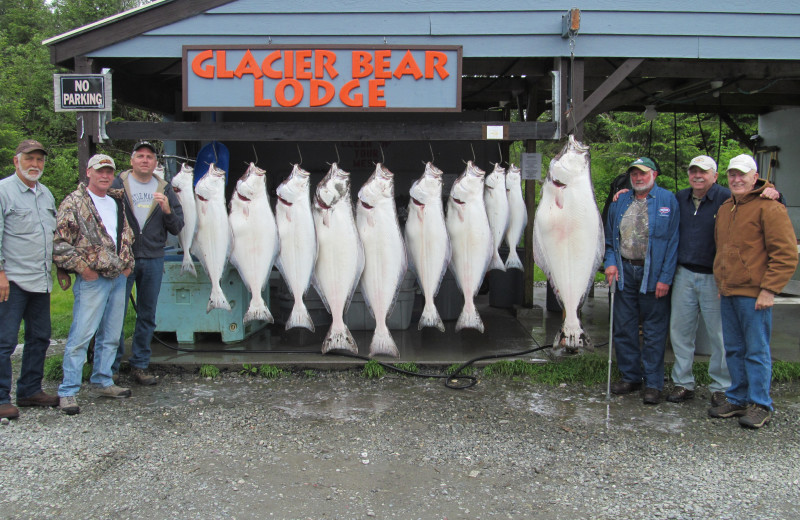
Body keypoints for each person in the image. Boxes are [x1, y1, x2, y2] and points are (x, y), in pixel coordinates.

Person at [667, 156, 780, 407]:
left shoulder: (726, 198)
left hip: (714, 278)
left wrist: (773, 192)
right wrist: (621, 191)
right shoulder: (680, 198)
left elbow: (763, 203)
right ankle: (682, 382)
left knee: (720, 337)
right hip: (683, 273)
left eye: (704, 172)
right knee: (680, 332)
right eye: (693, 171)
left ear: (715, 176)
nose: (697, 176)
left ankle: (721, 387)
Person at [709, 154, 798, 429]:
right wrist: (722, 284)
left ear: (754, 176)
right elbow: (721, 248)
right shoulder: (725, 207)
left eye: (742, 175)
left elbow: (785, 254)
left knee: (756, 350)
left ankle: (761, 403)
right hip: (729, 290)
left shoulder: (769, 207)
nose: (736, 180)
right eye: (732, 175)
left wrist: (770, 289)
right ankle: (738, 398)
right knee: (734, 348)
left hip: (755, 294)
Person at [53, 154, 135, 415]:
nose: (105, 175)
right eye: (100, 171)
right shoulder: (74, 202)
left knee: (111, 335)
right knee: (81, 336)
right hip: (93, 279)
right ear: (88, 172)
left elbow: (126, 236)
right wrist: (82, 270)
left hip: (117, 278)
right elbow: (60, 243)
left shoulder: (116, 201)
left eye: (109, 171)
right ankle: (68, 390)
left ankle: (103, 380)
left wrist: (128, 263)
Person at [604, 157, 679, 405]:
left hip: (653, 276)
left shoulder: (668, 200)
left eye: (643, 173)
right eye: (634, 174)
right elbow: (610, 240)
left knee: (654, 332)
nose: (638, 178)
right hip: (625, 273)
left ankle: (654, 383)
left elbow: (672, 244)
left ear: (654, 175)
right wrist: (611, 262)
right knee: (624, 328)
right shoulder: (620, 201)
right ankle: (631, 376)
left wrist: (665, 278)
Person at [112, 141, 183, 386]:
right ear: (132, 160)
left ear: (155, 163)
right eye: (140, 156)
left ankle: (140, 365)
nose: (145, 160)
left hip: (153, 257)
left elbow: (177, 226)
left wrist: (166, 209)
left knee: (147, 315)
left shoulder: (165, 188)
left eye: (149, 157)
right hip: (123, 259)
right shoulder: (117, 185)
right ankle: (111, 367)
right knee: (115, 314)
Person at [0, 140, 61, 420]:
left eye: (39, 159)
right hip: (11, 280)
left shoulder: (46, 194)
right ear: (16, 161)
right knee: (5, 341)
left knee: (39, 337)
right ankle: (2, 398)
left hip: (41, 280)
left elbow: (52, 236)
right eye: (29, 159)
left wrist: (60, 267)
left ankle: (29, 390)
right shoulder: (3, 191)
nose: (35, 164)